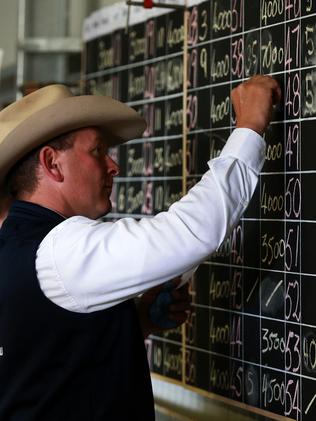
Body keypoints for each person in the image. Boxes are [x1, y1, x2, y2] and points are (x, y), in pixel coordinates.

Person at [0, 75, 281, 420]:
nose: (113, 166)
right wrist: (249, 127)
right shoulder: (61, 249)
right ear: (52, 163)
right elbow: (193, 231)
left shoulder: (15, 245)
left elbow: (44, 351)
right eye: (97, 151)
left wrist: (137, 321)